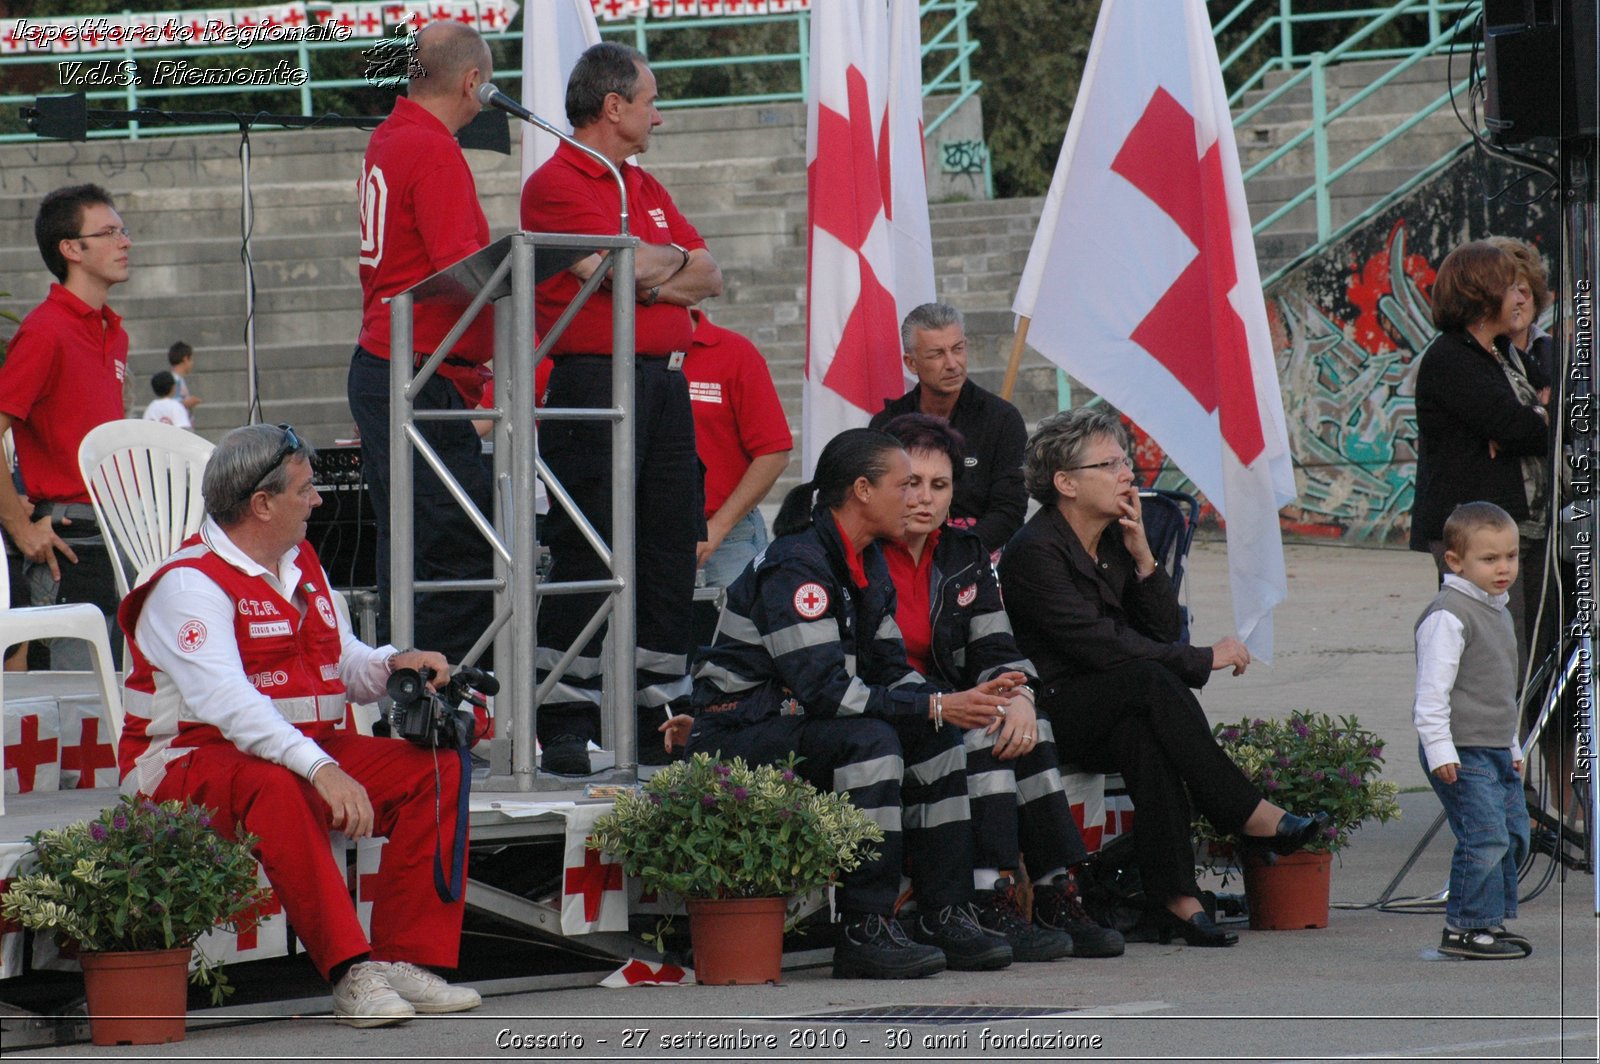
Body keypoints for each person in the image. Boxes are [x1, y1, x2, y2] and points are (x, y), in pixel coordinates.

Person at [117, 424, 482, 1026]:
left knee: (437, 768)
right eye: (306, 489)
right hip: (183, 764)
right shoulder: (187, 584)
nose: (318, 500)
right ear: (262, 504)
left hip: (298, 750)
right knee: (278, 783)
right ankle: (349, 972)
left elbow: (340, 659)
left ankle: (404, 959)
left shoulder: (297, 558)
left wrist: (393, 664)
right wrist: (322, 768)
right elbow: (231, 704)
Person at [672, 428, 1016, 979]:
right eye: (904, 485)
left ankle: (945, 910)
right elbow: (827, 692)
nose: (916, 499)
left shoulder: (865, 559)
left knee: (937, 736)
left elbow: (887, 669)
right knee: (873, 741)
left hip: (801, 724)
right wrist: (933, 707)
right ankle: (865, 926)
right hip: (736, 734)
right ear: (862, 490)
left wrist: (948, 704)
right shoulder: (796, 566)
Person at [998, 408, 1329, 947]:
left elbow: (1158, 631)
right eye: (1110, 464)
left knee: (1146, 736)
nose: (1128, 473)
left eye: (1125, 460)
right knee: (1149, 684)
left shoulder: (1113, 541)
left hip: (1114, 701)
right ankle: (1245, 813)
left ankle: (1176, 900)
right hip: (1052, 706)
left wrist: (1146, 558)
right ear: (1066, 483)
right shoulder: (1034, 551)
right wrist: (1204, 658)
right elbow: (1103, 647)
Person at [521, 42, 724, 775]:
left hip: (664, 384)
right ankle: (566, 717)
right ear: (614, 107)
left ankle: (659, 715)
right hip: (593, 384)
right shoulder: (555, 183)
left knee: (670, 550)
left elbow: (711, 275)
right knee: (587, 547)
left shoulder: (643, 183)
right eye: (649, 101)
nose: (658, 116)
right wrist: (649, 266)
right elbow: (608, 268)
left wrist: (646, 270)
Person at [881, 413, 1125, 961]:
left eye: (939, 485)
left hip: (958, 703)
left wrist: (1017, 693)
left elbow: (996, 646)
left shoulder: (963, 554)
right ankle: (989, 895)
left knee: (1024, 722)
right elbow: (875, 669)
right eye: (911, 483)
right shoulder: (866, 558)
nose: (924, 498)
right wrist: (964, 704)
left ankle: (1054, 889)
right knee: (981, 732)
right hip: (900, 709)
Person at [347, 20, 496, 664]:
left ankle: (406, 689)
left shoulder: (391, 135)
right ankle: (443, 706)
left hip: (392, 361)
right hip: (416, 368)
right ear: (472, 83)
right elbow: (462, 272)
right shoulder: (433, 149)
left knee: (411, 543)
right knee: (450, 543)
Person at [0, 183, 130, 667]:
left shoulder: (113, 332)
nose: (125, 242)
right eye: (109, 232)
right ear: (71, 249)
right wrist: (20, 525)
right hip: (70, 535)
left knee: (117, 687)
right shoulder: (45, 330)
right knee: (74, 696)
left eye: (123, 230)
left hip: (114, 528)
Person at [1410, 240, 1550, 677]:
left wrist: (1535, 417)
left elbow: (1549, 413)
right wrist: (1532, 419)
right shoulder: (1452, 358)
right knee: (1489, 662)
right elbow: (1518, 427)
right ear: (1484, 294)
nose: (1520, 296)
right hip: (1474, 533)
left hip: (1510, 524)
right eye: (1510, 287)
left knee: (1521, 654)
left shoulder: (1498, 353)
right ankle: (1477, 747)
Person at [1412, 501, 1532, 960]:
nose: (1504, 568)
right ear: (1455, 561)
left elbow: (1497, 692)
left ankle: (1488, 921)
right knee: (1484, 835)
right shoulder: (1449, 615)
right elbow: (1431, 694)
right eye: (1490, 559)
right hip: (1460, 750)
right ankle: (1464, 928)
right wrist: (1440, 749)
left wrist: (1511, 744)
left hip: (1494, 747)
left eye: (1511, 556)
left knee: (1515, 833)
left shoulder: (1496, 609)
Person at [869, 303, 1026, 553]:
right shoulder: (887, 424)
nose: (952, 364)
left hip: (977, 555)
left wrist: (958, 554)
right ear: (911, 363)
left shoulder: (1002, 419)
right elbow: (877, 504)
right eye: (936, 354)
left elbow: (1009, 509)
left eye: (958, 349)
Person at [686, 309, 792, 590]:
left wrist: (717, 528)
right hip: (636, 539)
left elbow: (774, 453)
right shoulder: (615, 353)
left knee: (740, 632)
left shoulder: (733, 352)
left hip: (725, 538)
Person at [167, 340, 202, 414]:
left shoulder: (178, 379)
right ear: (185, 359)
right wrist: (188, 403)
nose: (192, 363)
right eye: (191, 360)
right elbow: (171, 404)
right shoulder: (175, 380)